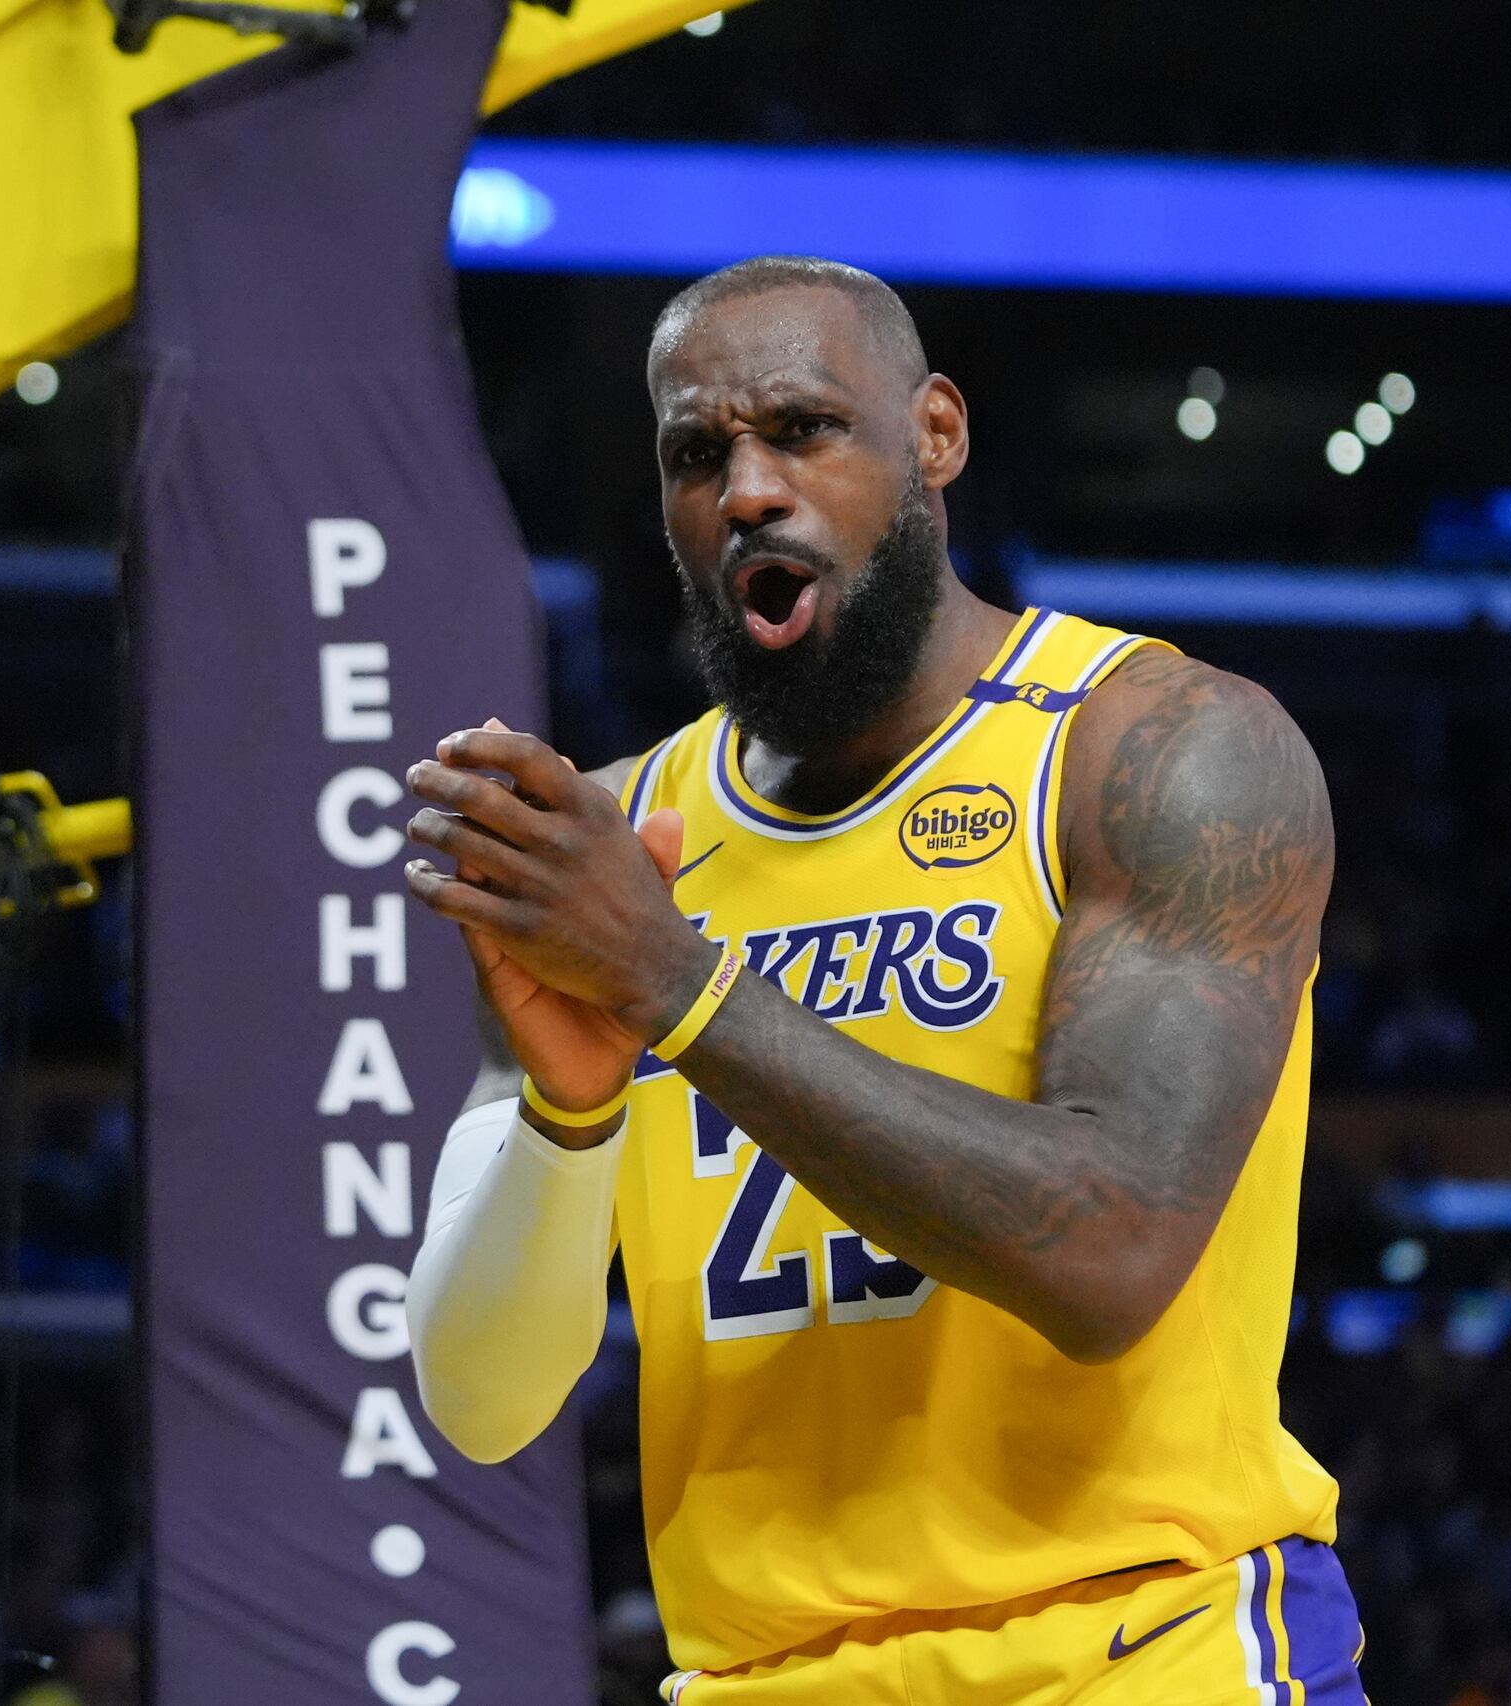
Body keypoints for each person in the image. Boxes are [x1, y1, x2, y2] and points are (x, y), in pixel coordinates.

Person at [400, 255, 1363, 1704]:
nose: (748, 490)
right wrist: (567, 1115)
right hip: (763, 1670)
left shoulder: (1155, 751)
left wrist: (680, 987)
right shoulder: (620, 849)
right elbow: (479, 1403)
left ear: (934, 437)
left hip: (1130, 1650)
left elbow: (1111, 1251)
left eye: (801, 429)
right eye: (696, 454)